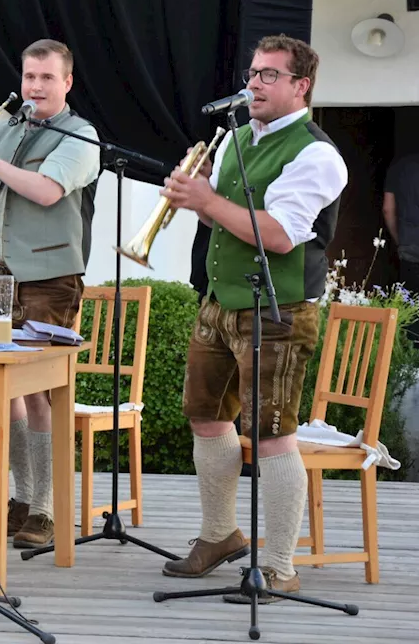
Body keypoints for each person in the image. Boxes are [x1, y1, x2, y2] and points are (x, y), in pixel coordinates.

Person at [159, 34, 346, 603]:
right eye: (253, 73)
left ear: (300, 86)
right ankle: (219, 536)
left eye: (269, 75)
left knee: (270, 436)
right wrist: (192, 193)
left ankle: (281, 565)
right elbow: (223, 219)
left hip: (277, 311)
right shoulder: (240, 138)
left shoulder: (317, 153)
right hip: (218, 304)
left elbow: (281, 235)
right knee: (206, 420)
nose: (254, 83)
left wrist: (208, 200)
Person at [0, 38, 101, 549]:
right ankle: (21, 497)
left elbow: (47, 190)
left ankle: (48, 509)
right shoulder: (5, 128)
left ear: (67, 82)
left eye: (46, 78)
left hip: (47, 278)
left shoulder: (82, 137)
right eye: (29, 76)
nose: (34, 87)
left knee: (39, 395)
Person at [384, 153, 419, 340]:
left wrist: (400, 240)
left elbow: (388, 209)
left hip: (410, 248)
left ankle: (410, 363)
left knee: (411, 311)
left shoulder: (399, 166)